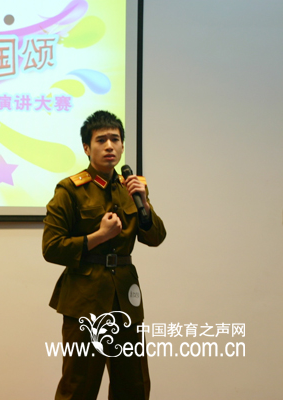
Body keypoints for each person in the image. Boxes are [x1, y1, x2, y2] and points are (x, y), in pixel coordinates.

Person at [42, 111, 166, 400]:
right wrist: (98, 236)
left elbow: (156, 237)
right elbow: (51, 247)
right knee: (78, 386)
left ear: (122, 146)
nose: (110, 145)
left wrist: (145, 205)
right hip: (85, 300)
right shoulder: (70, 190)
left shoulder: (132, 188)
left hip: (125, 297)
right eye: (101, 140)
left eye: (115, 139)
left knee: (134, 386)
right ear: (87, 148)